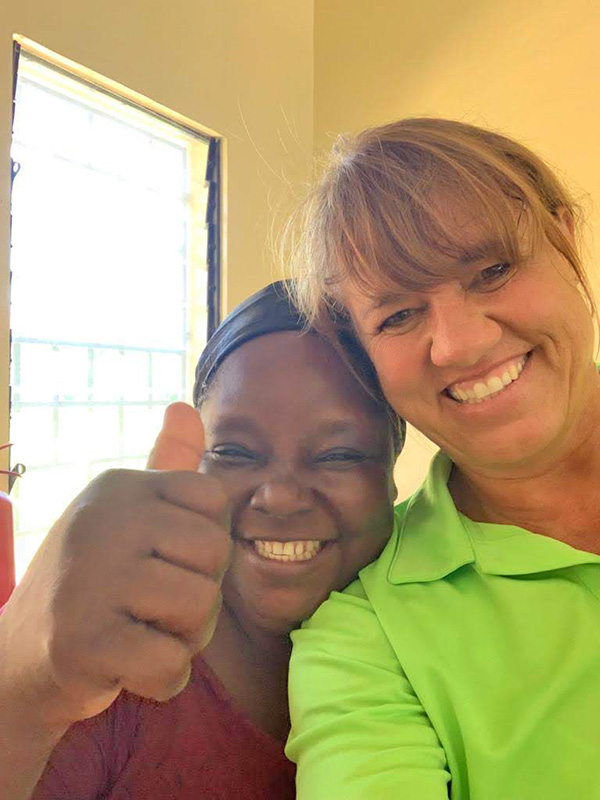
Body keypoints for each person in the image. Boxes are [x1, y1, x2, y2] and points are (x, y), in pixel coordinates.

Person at [286, 118, 600, 799]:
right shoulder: (367, 638)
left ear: (566, 239)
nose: (459, 344)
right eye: (398, 316)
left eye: (492, 271)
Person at [0, 281, 402, 800]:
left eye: (339, 455)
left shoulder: (437, 656)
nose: (279, 497)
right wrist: (23, 689)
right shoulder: (106, 682)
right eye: (235, 451)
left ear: (393, 476)